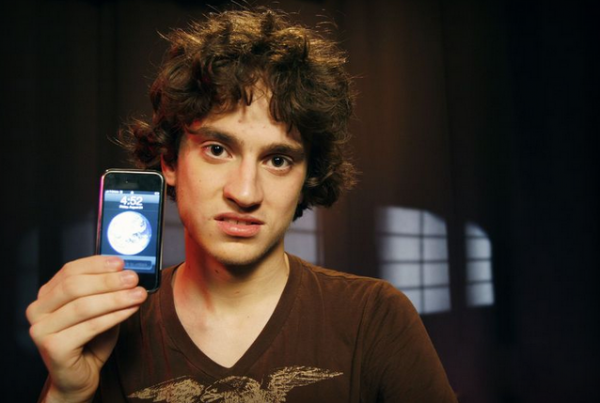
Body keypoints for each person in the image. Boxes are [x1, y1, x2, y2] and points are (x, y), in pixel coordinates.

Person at [27, 8, 458, 403]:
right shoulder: (108, 326)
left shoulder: (374, 316)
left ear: (306, 178)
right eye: (217, 149)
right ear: (170, 161)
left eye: (278, 160)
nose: (246, 192)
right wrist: (66, 394)